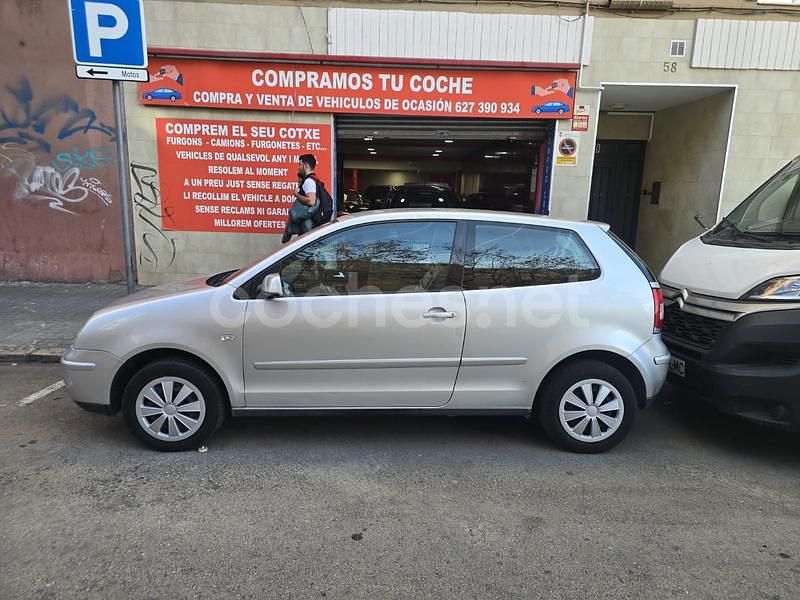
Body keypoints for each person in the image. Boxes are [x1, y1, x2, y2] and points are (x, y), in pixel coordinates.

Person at [282, 154, 319, 243]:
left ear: (306, 166)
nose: (298, 168)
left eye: (300, 165)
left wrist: (296, 194)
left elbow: (311, 201)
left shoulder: (309, 181)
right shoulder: (313, 179)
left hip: (308, 224)